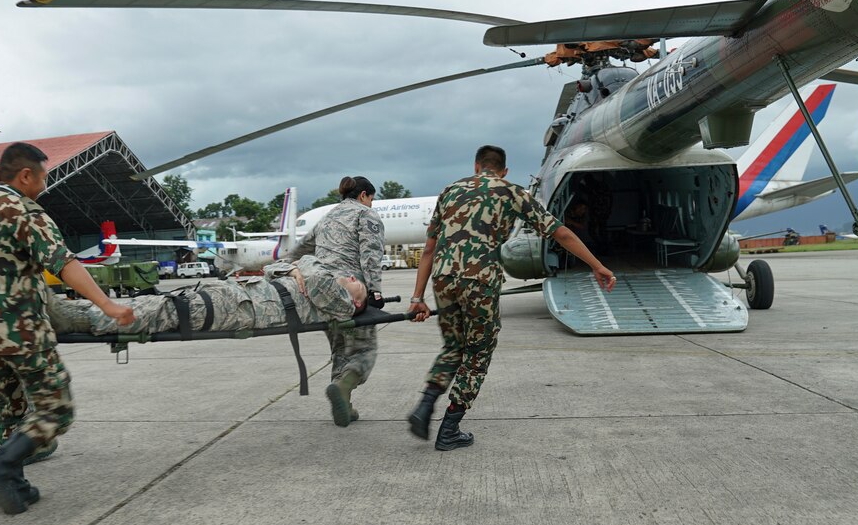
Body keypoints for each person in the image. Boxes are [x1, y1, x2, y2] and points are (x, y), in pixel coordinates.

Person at [407, 145, 616, 451]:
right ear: (503, 170)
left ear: (477, 166)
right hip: (480, 279)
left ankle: (425, 404)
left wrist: (417, 297)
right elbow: (560, 233)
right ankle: (450, 427)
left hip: (443, 278)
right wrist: (597, 265)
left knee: (453, 346)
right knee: (478, 353)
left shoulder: (450, 191)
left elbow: (428, 248)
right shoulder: (512, 192)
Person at [0, 142, 134, 515]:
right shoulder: (25, 210)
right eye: (42, 177)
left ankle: (15, 485)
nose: (44, 185)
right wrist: (107, 305)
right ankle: (1, 465)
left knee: (11, 408)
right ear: (25, 176)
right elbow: (63, 263)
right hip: (20, 330)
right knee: (57, 409)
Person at [48, 256, 368, 335]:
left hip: (239, 307)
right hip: (233, 295)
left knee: (167, 311)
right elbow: (273, 266)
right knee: (165, 303)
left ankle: (77, 318)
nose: (351, 277)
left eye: (358, 285)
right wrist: (294, 269)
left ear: (356, 303)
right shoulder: (322, 285)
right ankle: (77, 310)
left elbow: (312, 270)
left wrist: (299, 267)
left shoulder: (339, 304)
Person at [287, 176, 383, 427]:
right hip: (351, 293)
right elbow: (370, 255)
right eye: (371, 199)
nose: (371, 204)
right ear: (364, 195)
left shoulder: (326, 217)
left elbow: (298, 251)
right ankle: (342, 387)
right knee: (365, 350)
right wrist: (375, 292)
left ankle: (345, 406)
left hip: (323, 294)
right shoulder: (365, 214)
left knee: (340, 348)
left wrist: (293, 270)